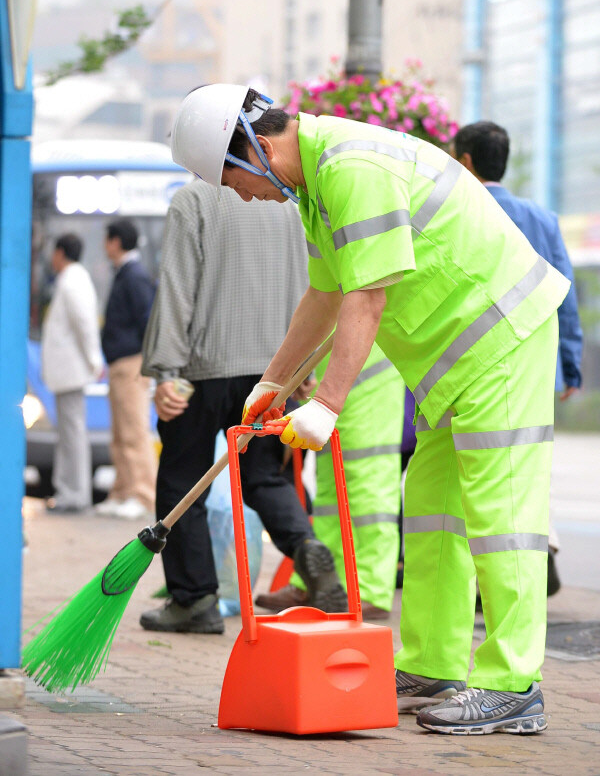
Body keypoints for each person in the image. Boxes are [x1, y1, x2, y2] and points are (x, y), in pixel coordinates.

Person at [169, 84, 570, 735]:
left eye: (232, 179)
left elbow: (367, 297)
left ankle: (512, 684)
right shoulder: (321, 185)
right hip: (456, 362)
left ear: (259, 149)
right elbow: (325, 296)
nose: (241, 195)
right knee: (434, 512)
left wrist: (327, 404)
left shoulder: (353, 167)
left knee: (502, 517)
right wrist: (271, 384)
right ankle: (431, 666)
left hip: (501, 339)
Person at [139, 177, 347, 635]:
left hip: (203, 368)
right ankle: (306, 547)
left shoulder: (192, 199)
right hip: (273, 371)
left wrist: (166, 371)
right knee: (263, 477)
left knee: (182, 479)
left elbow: (176, 287)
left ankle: (194, 599)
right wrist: (301, 369)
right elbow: (311, 284)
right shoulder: (288, 205)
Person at [452, 120, 584, 595]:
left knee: (472, 477)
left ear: (465, 161)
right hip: (536, 361)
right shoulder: (542, 218)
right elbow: (563, 298)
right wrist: (570, 366)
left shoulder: (457, 209)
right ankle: (537, 548)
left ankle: (485, 584)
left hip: (472, 364)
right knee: (527, 472)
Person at [255, 343, 406, 621]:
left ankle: (369, 590)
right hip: (334, 374)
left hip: (368, 371)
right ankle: (320, 585)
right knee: (330, 487)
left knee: (367, 482)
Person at [96, 218, 158, 521]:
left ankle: (143, 495)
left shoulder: (133, 275)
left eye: (107, 239)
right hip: (120, 364)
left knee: (134, 431)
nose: (105, 245)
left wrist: (145, 362)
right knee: (120, 434)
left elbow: (148, 320)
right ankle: (121, 491)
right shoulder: (125, 273)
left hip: (132, 363)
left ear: (117, 241)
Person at [41, 233, 102, 513]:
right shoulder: (72, 279)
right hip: (68, 372)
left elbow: (85, 324)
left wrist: (93, 360)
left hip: (72, 371)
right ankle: (68, 492)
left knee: (73, 434)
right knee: (69, 434)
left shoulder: (73, 280)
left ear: (60, 252)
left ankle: (75, 495)